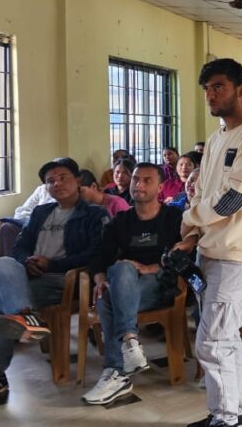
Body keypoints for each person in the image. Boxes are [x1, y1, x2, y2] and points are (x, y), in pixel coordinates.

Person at [178, 59, 242, 427]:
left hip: (237, 252)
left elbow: (233, 198)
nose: (210, 95)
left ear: (241, 91)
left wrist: (191, 219)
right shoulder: (217, 138)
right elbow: (202, 191)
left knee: (212, 342)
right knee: (226, 339)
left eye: (218, 87)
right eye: (207, 89)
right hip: (209, 250)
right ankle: (234, 412)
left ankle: (225, 418)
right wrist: (192, 234)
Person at [0, 158, 108, 405]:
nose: (57, 183)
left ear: (77, 181)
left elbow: (97, 254)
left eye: (63, 177)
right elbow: (19, 247)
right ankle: (25, 315)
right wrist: (26, 261)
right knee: (4, 263)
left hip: (65, 281)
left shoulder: (94, 214)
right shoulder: (41, 212)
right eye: (50, 181)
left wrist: (52, 264)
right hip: (31, 277)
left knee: (2, 307)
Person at [82, 162, 183, 405]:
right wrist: (99, 279)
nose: (139, 184)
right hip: (126, 283)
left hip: (161, 283)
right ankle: (129, 342)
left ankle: (116, 371)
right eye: (136, 179)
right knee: (119, 273)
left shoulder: (173, 218)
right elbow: (100, 257)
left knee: (108, 299)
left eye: (147, 180)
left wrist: (153, 268)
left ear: (160, 187)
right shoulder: (121, 221)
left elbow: (186, 256)